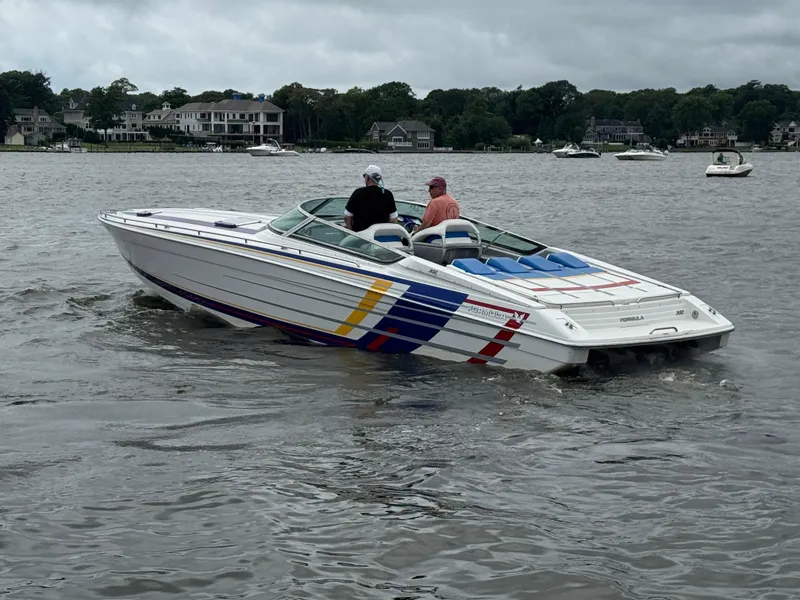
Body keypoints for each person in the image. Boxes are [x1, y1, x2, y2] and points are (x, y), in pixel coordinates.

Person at [344, 164, 398, 232]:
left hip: (361, 236)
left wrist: (351, 231)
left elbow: (347, 218)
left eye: (364, 176)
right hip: (380, 236)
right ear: (379, 179)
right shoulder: (388, 194)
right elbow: (394, 219)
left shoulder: (358, 193)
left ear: (368, 178)